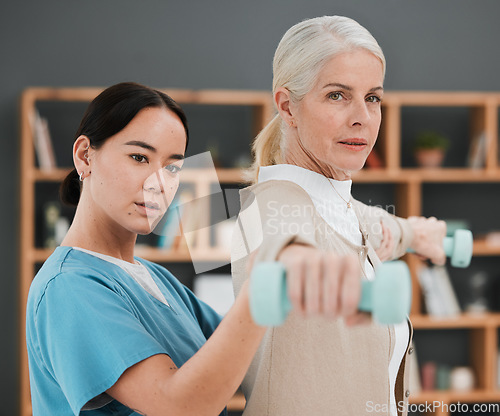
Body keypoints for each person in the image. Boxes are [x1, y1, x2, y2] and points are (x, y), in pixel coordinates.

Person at [25, 82, 368, 416]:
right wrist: (264, 282)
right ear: (85, 156)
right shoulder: (68, 287)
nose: (159, 183)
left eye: (172, 166)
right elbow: (180, 406)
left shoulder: (154, 277)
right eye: (139, 157)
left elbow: (247, 358)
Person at [231, 16, 447, 416]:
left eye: (373, 97)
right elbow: (284, 248)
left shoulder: (342, 208)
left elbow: (384, 226)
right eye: (337, 95)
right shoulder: (272, 206)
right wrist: (312, 271)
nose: (361, 116)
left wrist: (418, 234)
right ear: (287, 106)